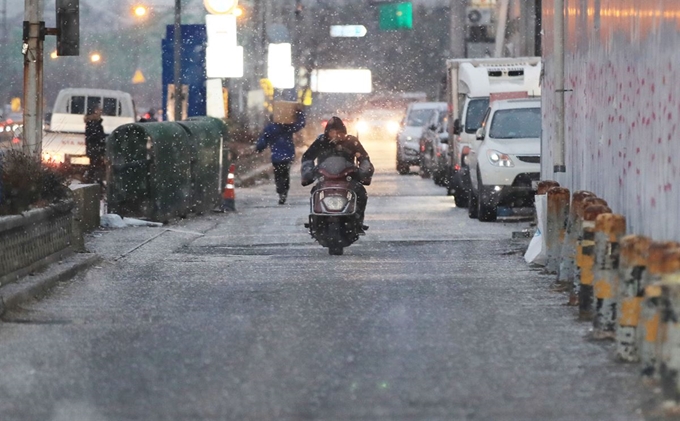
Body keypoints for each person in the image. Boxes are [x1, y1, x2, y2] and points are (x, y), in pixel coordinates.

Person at [301, 116, 374, 232]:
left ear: (344, 132)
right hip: (325, 179)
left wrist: (364, 171)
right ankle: (316, 219)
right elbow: (308, 157)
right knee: (315, 191)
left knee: (361, 193)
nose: (335, 135)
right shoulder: (321, 142)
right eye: (332, 132)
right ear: (327, 132)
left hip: (347, 179)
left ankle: (358, 220)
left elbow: (364, 158)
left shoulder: (352, 142)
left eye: (339, 132)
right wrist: (308, 172)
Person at [255, 106, 306, 205]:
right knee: (285, 174)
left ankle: (281, 192)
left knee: (278, 175)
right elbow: (300, 125)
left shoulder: (270, 128)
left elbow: (263, 140)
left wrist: (259, 148)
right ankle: (284, 192)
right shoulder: (287, 127)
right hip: (288, 155)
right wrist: (299, 113)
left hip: (276, 157)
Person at [84, 105, 107, 185]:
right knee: (96, 166)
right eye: (98, 111)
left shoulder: (92, 123)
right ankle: (96, 182)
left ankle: (93, 181)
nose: (100, 113)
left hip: (93, 149)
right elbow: (96, 136)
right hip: (95, 149)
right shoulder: (94, 124)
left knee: (94, 166)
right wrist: (102, 141)